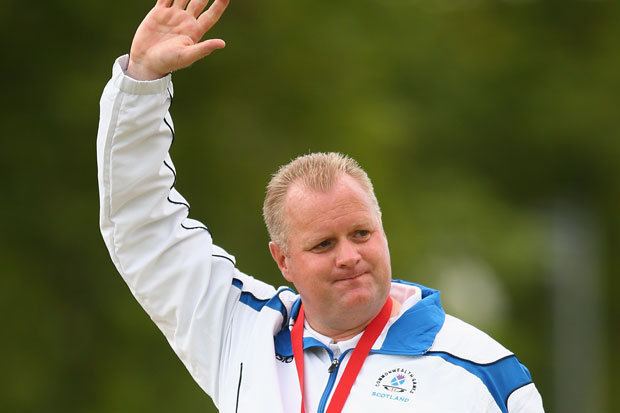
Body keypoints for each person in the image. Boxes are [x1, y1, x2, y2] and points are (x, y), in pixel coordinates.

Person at [97, 1, 545, 411]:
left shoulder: (483, 374)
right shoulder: (242, 330)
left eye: (361, 233)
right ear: (283, 260)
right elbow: (142, 228)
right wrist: (141, 83)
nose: (349, 257)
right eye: (323, 244)